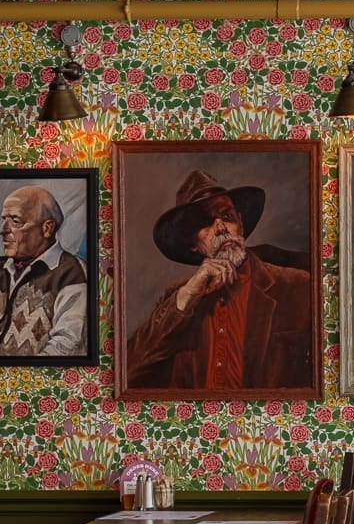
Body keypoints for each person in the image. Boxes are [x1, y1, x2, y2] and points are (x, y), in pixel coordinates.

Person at [123, 168, 316, 392]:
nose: (221, 228)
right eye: (205, 223)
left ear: (240, 225)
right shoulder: (178, 298)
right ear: (193, 244)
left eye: (227, 216)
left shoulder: (298, 287)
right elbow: (127, 375)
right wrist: (185, 298)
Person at [0, 183, 89, 358]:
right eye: (3, 219)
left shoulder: (73, 275)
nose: (2, 229)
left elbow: (67, 346)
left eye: (15, 220)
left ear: (47, 228)